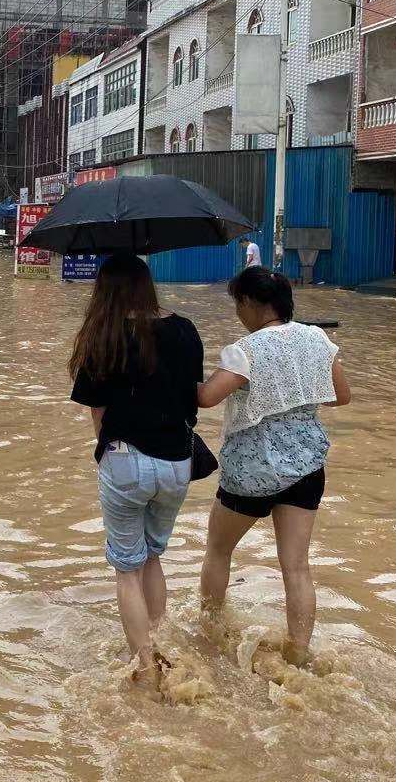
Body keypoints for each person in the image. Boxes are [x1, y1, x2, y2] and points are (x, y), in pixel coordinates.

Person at [196, 267, 351, 667]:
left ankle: (210, 635)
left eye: (237, 304)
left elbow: (208, 398)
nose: (237, 313)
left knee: (218, 550)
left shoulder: (244, 350)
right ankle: (298, 653)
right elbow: (340, 396)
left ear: (250, 303)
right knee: (296, 567)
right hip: (306, 466)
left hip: (252, 470)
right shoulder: (317, 339)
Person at [68, 253, 204, 686]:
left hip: (125, 461)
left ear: (103, 291)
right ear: (147, 285)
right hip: (178, 463)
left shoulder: (102, 336)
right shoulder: (184, 330)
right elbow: (193, 397)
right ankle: (161, 646)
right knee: (153, 557)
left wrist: (108, 457)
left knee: (127, 569)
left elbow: (98, 416)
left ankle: (145, 669)